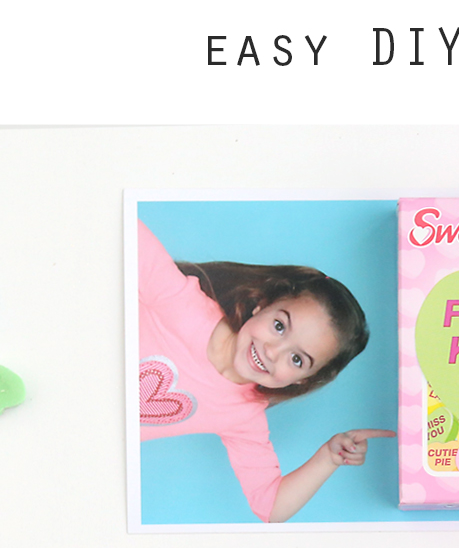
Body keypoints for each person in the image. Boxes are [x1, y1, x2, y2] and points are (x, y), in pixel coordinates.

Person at [137, 218, 392, 520]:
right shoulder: (181, 302)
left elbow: (271, 506)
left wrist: (328, 458)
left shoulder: (244, 416)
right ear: (261, 304)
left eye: (297, 359)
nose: (272, 351)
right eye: (279, 326)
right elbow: (123, 227)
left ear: (304, 380)